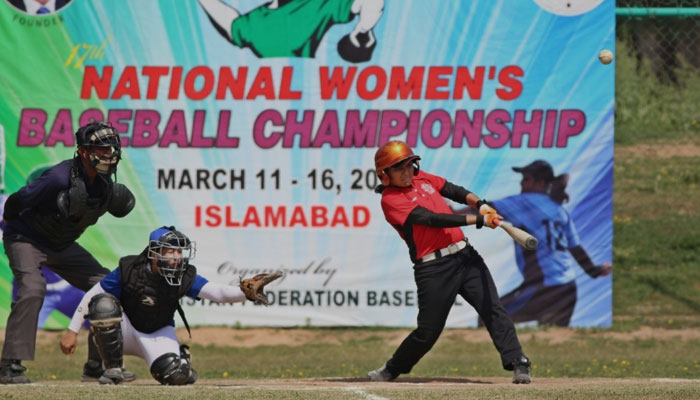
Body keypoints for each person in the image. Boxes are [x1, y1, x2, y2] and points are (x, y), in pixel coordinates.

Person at [368, 140, 532, 384]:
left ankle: (518, 361)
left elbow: (452, 190)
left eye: (409, 165)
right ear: (385, 175)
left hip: (465, 256)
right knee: (428, 332)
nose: (406, 172)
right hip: (434, 268)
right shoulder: (391, 200)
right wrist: (478, 220)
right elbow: (431, 219)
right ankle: (392, 369)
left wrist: (481, 203)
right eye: (398, 168)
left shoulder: (421, 178)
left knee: (492, 307)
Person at [0, 122, 136, 384]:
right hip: (26, 238)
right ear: (83, 152)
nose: (108, 154)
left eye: (111, 148)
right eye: (100, 148)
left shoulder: (105, 185)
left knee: (106, 287)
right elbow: (17, 201)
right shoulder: (58, 178)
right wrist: (15, 231)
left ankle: (98, 365)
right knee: (32, 288)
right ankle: (9, 366)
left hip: (61, 244)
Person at [60, 226, 278, 385]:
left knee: (177, 377)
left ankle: (179, 360)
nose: (176, 257)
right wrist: (72, 330)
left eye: (179, 252)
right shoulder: (130, 268)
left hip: (157, 333)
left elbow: (216, 292)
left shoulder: (184, 275)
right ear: (154, 253)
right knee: (104, 305)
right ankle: (113, 369)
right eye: (170, 251)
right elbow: (92, 295)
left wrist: (245, 293)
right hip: (124, 330)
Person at [474, 160, 612, 326]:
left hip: (544, 289)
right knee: (551, 341)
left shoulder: (525, 201)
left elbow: (485, 209)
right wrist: (594, 271)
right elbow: (575, 248)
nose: (521, 183)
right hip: (567, 289)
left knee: (488, 315)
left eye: (526, 179)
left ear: (540, 183)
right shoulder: (559, 210)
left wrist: (450, 213)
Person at [197, 0, 383, 61]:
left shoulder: (319, 5)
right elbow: (229, 22)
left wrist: (364, 29)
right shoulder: (255, 23)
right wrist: (364, 29)